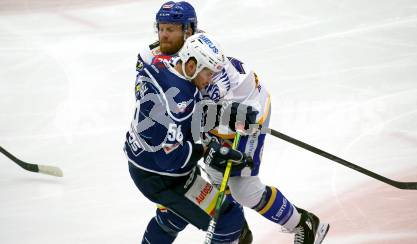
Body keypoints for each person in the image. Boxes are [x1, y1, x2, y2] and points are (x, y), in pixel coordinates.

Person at [200, 36, 330, 244]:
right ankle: (237, 232)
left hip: (247, 114)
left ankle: (304, 224)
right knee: (216, 173)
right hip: (222, 116)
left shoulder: (209, 66)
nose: (164, 35)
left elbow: (224, 112)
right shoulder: (182, 54)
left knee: (245, 190)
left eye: (171, 29)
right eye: (161, 29)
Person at [124, 33, 253, 244]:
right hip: (160, 177)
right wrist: (207, 150)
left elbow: (184, 116)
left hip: (142, 160)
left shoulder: (163, 67)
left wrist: (225, 112)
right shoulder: (179, 100)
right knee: (229, 219)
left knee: (174, 217)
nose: (210, 80)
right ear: (192, 65)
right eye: (208, 73)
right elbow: (169, 157)